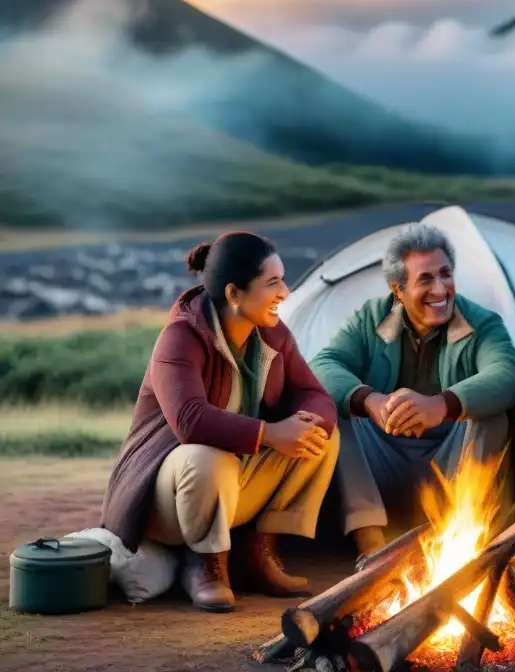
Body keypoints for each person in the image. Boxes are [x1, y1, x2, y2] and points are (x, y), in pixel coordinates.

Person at [100, 232, 340, 613]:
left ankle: (259, 552)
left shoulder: (273, 333)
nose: (286, 292)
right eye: (273, 282)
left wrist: (306, 421)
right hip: (167, 500)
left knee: (321, 436)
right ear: (234, 294)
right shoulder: (180, 337)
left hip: (231, 485)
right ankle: (206, 563)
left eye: (283, 280)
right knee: (206, 456)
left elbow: (316, 396)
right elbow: (190, 421)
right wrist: (271, 433)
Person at [309, 223, 515, 556]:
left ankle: (461, 538)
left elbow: (507, 374)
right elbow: (323, 364)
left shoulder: (482, 322)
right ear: (398, 290)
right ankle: (370, 544)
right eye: (425, 279)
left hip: (448, 460)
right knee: (334, 409)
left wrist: (442, 404)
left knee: (490, 416)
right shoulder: (370, 318)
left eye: (446, 274)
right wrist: (371, 401)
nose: (440, 289)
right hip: (383, 459)